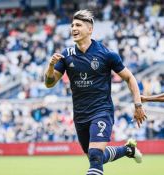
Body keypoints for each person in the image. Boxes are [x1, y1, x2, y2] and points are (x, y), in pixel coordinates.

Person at [44, 9, 147, 175]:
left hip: (101, 111)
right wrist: (50, 67)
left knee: (95, 157)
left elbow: (130, 78)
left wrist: (138, 104)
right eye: (72, 25)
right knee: (96, 156)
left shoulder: (106, 54)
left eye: (78, 25)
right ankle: (128, 150)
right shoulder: (66, 55)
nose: (73, 28)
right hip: (80, 115)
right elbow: (49, 83)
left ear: (90, 29)